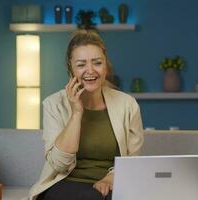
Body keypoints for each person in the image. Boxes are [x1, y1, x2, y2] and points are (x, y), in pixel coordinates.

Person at [28, 29, 144, 200]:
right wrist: (76, 113)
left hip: (113, 183)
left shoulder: (128, 104)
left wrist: (110, 178)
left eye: (97, 63)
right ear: (71, 68)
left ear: (106, 65)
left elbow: (133, 161)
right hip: (65, 183)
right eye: (81, 65)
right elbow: (59, 164)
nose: (90, 71)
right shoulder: (53, 104)